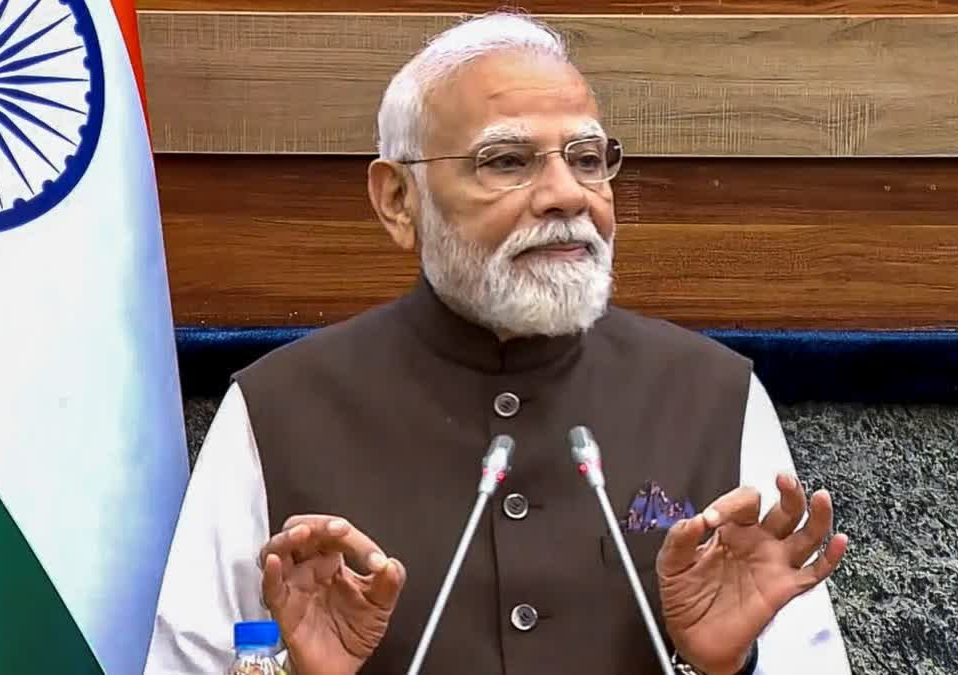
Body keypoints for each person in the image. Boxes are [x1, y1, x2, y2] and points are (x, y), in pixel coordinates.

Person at [144, 11, 851, 675]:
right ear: (398, 200)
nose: (567, 195)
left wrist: (728, 666)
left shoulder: (712, 397)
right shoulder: (279, 410)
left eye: (587, 158)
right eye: (508, 161)